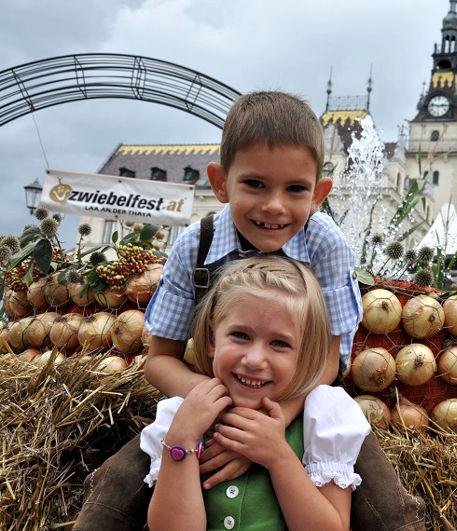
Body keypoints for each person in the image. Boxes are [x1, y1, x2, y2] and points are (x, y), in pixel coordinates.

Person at [74, 91, 423, 530]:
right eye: (255, 184)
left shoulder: (326, 245)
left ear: (318, 193)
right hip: (211, 398)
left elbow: (329, 362)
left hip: (300, 404)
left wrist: (263, 433)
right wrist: (219, 415)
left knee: (389, 510)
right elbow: (159, 361)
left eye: (294, 189)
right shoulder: (196, 245)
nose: (274, 205)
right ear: (221, 183)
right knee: (116, 485)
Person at [142, 256, 370, 530]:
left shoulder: (322, 417)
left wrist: (278, 457)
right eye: (240, 335)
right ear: (213, 338)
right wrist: (180, 439)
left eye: (279, 343)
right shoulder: (180, 415)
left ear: (304, 354)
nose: (254, 359)